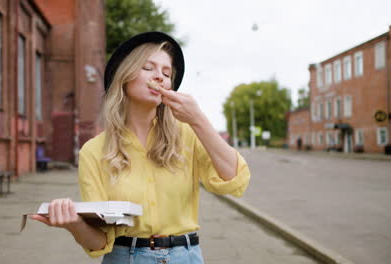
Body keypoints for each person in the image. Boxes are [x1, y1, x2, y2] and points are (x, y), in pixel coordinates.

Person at [31, 31, 251, 263]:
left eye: (167, 73)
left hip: (185, 257)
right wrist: (74, 224)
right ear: (124, 77)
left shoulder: (187, 134)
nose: (160, 77)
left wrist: (198, 119)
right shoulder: (94, 151)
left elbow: (236, 182)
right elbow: (98, 243)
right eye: (148, 68)